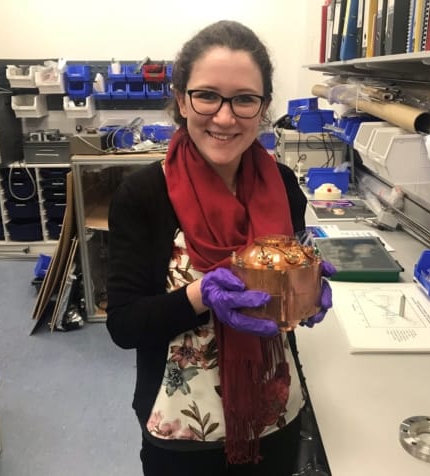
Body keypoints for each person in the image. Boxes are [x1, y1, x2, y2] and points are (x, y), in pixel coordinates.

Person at [106, 20, 334, 476]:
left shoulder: (284, 186)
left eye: (245, 99)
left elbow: (284, 285)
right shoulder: (144, 195)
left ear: (263, 107)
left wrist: (306, 295)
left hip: (274, 414)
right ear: (181, 99)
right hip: (180, 432)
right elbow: (125, 325)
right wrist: (200, 294)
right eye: (207, 95)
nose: (225, 117)